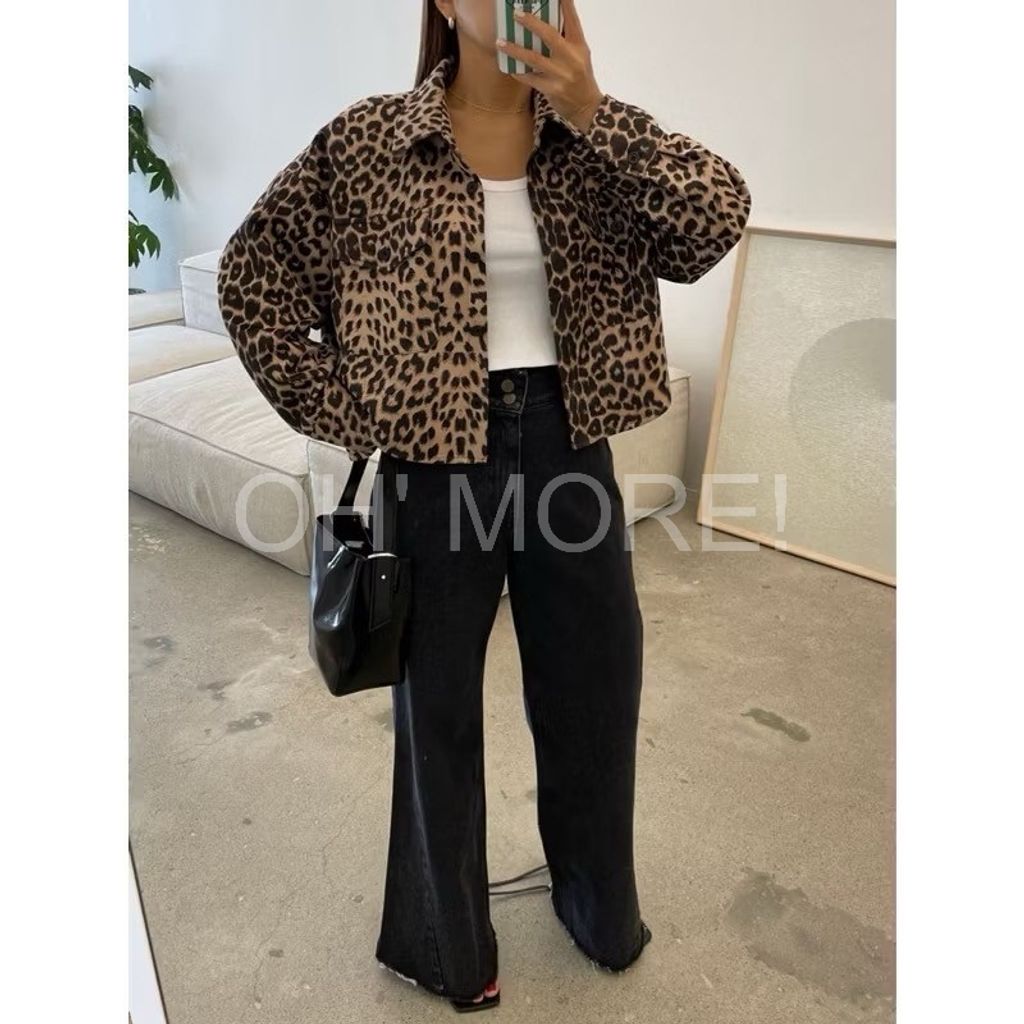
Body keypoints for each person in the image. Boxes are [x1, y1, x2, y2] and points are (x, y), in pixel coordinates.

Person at [217, 0, 751, 1012]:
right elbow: (254, 277)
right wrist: (350, 410)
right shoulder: (370, 142)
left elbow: (713, 221)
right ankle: (446, 945)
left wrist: (594, 109)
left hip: (568, 447)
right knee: (437, 712)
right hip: (433, 463)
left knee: (595, 694)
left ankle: (598, 910)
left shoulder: (590, 139)